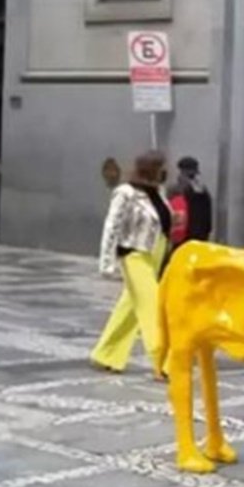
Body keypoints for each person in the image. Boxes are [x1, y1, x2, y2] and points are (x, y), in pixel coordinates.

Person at [91, 151, 172, 376]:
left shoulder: (158, 192)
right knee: (152, 306)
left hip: (155, 254)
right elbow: (112, 226)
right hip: (134, 254)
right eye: (163, 167)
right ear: (152, 168)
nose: (167, 171)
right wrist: (106, 262)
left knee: (130, 309)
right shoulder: (125, 193)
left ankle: (106, 353)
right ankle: (165, 363)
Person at [168, 156, 213, 251]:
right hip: (200, 239)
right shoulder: (203, 189)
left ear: (181, 171)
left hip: (181, 238)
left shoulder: (175, 189)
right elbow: (208, 218)